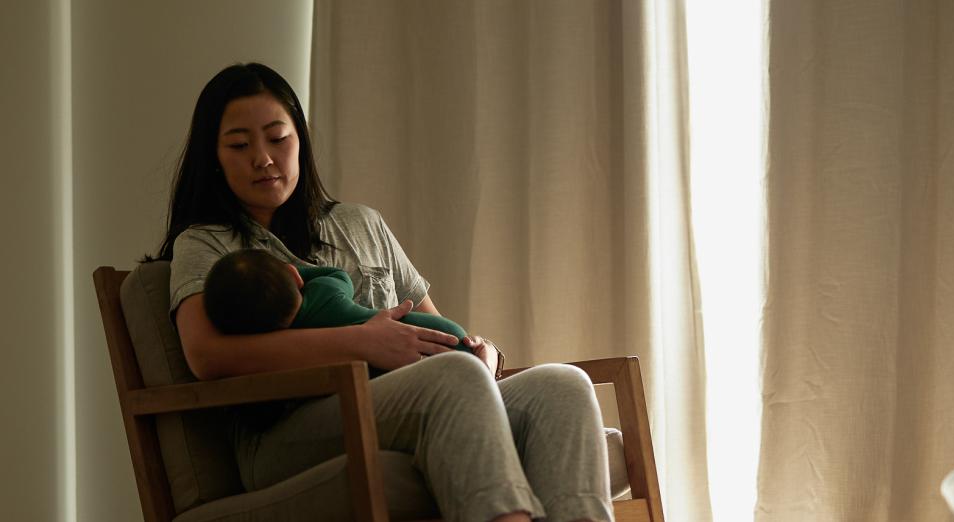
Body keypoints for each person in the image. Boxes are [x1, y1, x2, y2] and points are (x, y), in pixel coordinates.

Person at [148, 62, 611, 522]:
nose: (263, 158)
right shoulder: (206, 242)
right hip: (286, 429)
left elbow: (438, 331)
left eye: (277, 137)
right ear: (215, 155)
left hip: (405, 402)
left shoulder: (361, 224)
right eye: (239, 145)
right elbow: (207, 354)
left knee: (561, 385)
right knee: (451, 379)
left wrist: (481, 351)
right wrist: (360, 342)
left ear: (301, 141)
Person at [202, 248, 473, 357]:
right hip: (446, 337)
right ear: (294, 275)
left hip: (432, 357)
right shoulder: (325, 291)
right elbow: (338, 274)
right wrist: (299, 273)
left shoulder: (296, 341)